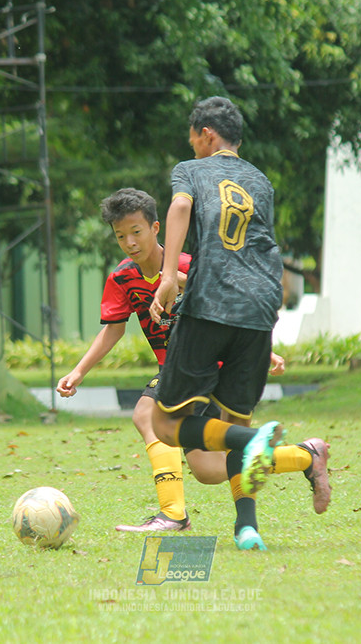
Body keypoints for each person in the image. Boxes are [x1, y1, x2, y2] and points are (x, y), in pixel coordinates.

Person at [58, 187, 327, 533]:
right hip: (177, 371)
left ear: (156, 228)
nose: (129, 242)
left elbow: (233, 306)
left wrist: (263, 349)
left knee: (146, 414)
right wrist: (79, 371)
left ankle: (172, 515)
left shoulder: (190, 265)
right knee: (208, 470)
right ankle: (305, 456)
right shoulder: (122, 278)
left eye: (136, 232)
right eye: (120, 236)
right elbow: (113, 330)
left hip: (211, 369)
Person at [150, 96, 330, 551]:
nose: (192, 147)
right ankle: (247, 528)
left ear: (206, 134)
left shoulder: (191, 170)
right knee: (232, 422)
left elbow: (179, 208)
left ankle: (254, 440)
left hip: (211, 300)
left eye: (193, 139)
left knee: (166, 424)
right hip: (261, 306)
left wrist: (168, 275)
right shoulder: (260, 180)